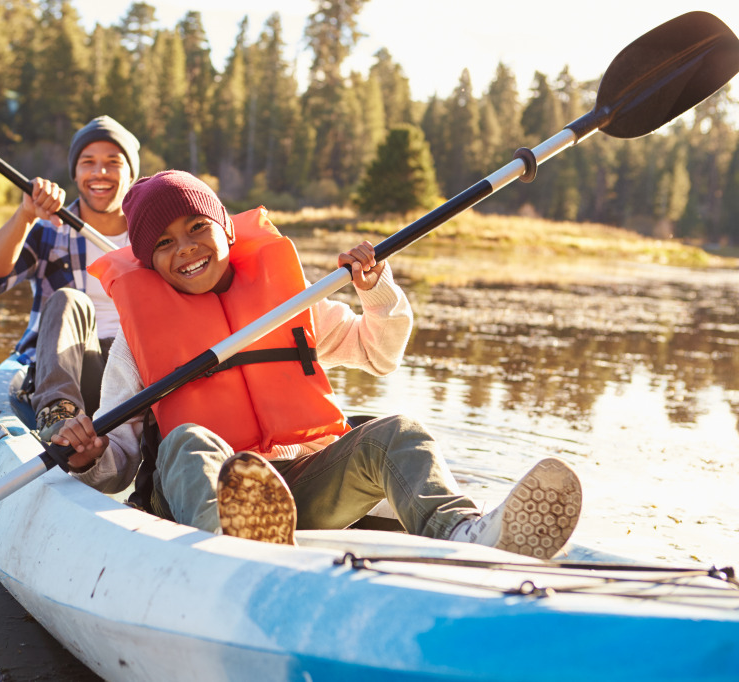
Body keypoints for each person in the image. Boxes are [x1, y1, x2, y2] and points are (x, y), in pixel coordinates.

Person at [52, 170, 583, 559]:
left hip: (301, 486)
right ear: (147, 263)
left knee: (398, 433)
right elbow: (117, 463)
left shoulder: (289, 306)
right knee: (187, 437)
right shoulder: (134, 345)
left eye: (197, 228)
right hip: (200, 497)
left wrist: (374, 291)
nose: (186, 249)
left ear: (226, 231)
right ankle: (228, 548)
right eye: (164, 244)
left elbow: (379, 352)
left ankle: (464, 533)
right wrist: (89, 454)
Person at [0, 115, 140, 441]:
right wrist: (26, 215)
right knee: (69, 299)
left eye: (113, 163)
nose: (99, 172)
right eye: (88, 162)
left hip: (136, 376)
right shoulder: (48, 231)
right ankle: (58, 414)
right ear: (75, 173)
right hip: (72, 369)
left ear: (132, 174)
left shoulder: (152, 239)